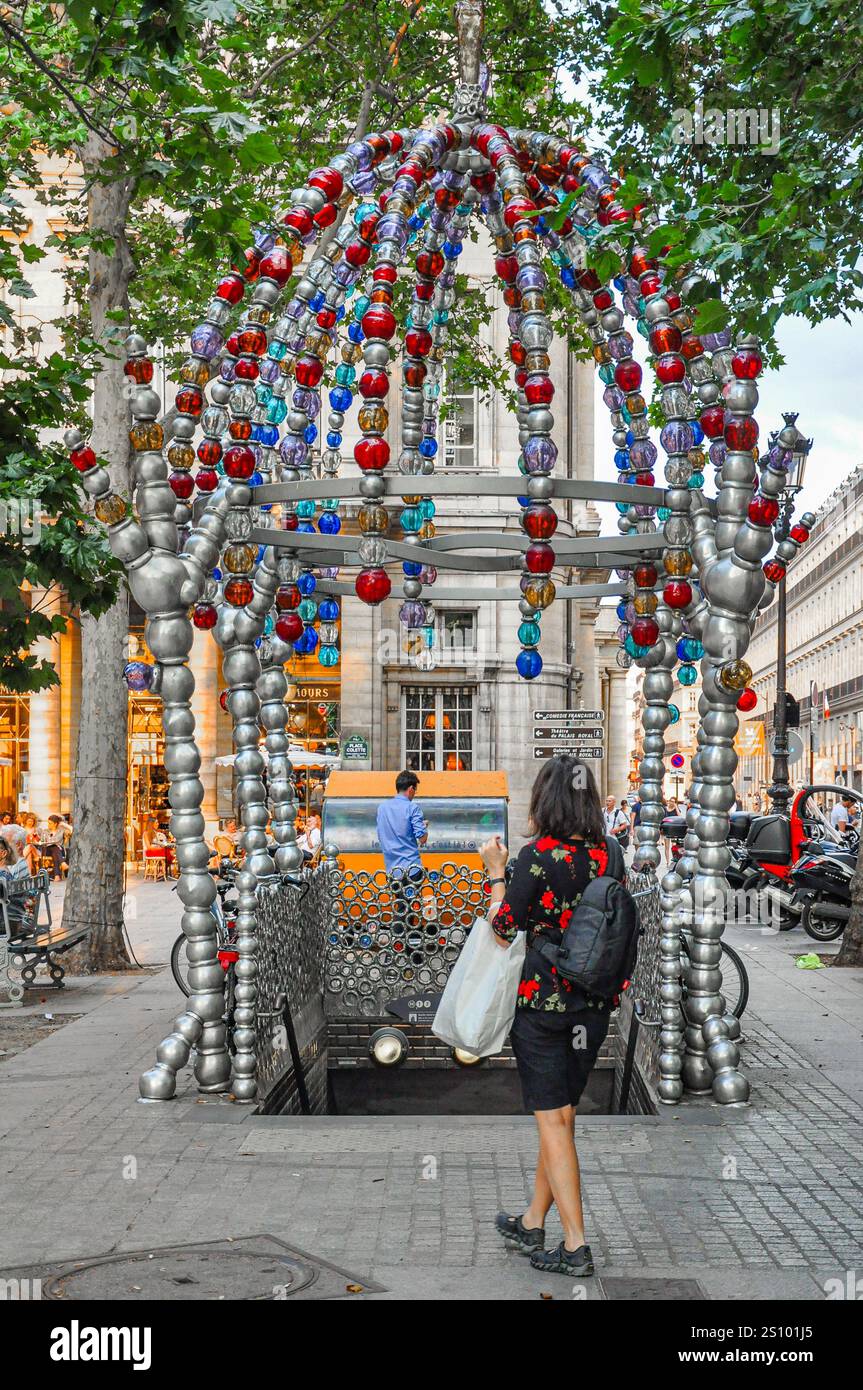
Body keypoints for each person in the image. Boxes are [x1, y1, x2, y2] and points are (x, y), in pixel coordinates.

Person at [480, 756, 626, 1279]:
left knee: (553, 1120)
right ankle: (532, 1220)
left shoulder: (536, 856)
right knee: (561, 1118)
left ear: (545, 801)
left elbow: (503, 928)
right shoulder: (610, 854)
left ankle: (575, 1245)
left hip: (543, 1007)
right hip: (593, 1007)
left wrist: (497, 874)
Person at [376, 770, 428, 879]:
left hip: (392, 872)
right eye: (415, 790)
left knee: (399, 897)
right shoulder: (412, 808)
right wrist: (423, 826)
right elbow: (422, 839)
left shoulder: (382, 808)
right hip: (412, 870)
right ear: (411, 789)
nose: (414, 794)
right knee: (412, 896)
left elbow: (381, 835)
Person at [0, 838, 33, 936]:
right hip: (14, 922)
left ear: (3, 854)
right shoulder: (7, 874)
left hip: (4, 924)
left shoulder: (2, 877)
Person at [39, 814, 71, 881]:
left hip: (59, 850)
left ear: (56, 824)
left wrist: (64, 825)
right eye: (48, 823)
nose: (48, 825)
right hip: (47, 851)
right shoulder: (45, 831)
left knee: (55, 849)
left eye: (50, 823)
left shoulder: (61, 831)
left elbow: (71, 830)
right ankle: (62, 865)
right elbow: (42, 841)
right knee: (54, 847)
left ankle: (57, 876)